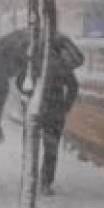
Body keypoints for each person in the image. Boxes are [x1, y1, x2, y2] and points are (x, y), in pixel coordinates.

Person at [36, 57, 79, 195]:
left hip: (38, 109)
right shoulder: (61, 64)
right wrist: (65, 106)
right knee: (50, 148)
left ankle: (36, 178)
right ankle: (45, 181)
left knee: (37, 146)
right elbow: (73, 85)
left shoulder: (34, 60)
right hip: (53, 110)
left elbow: (21, 81)